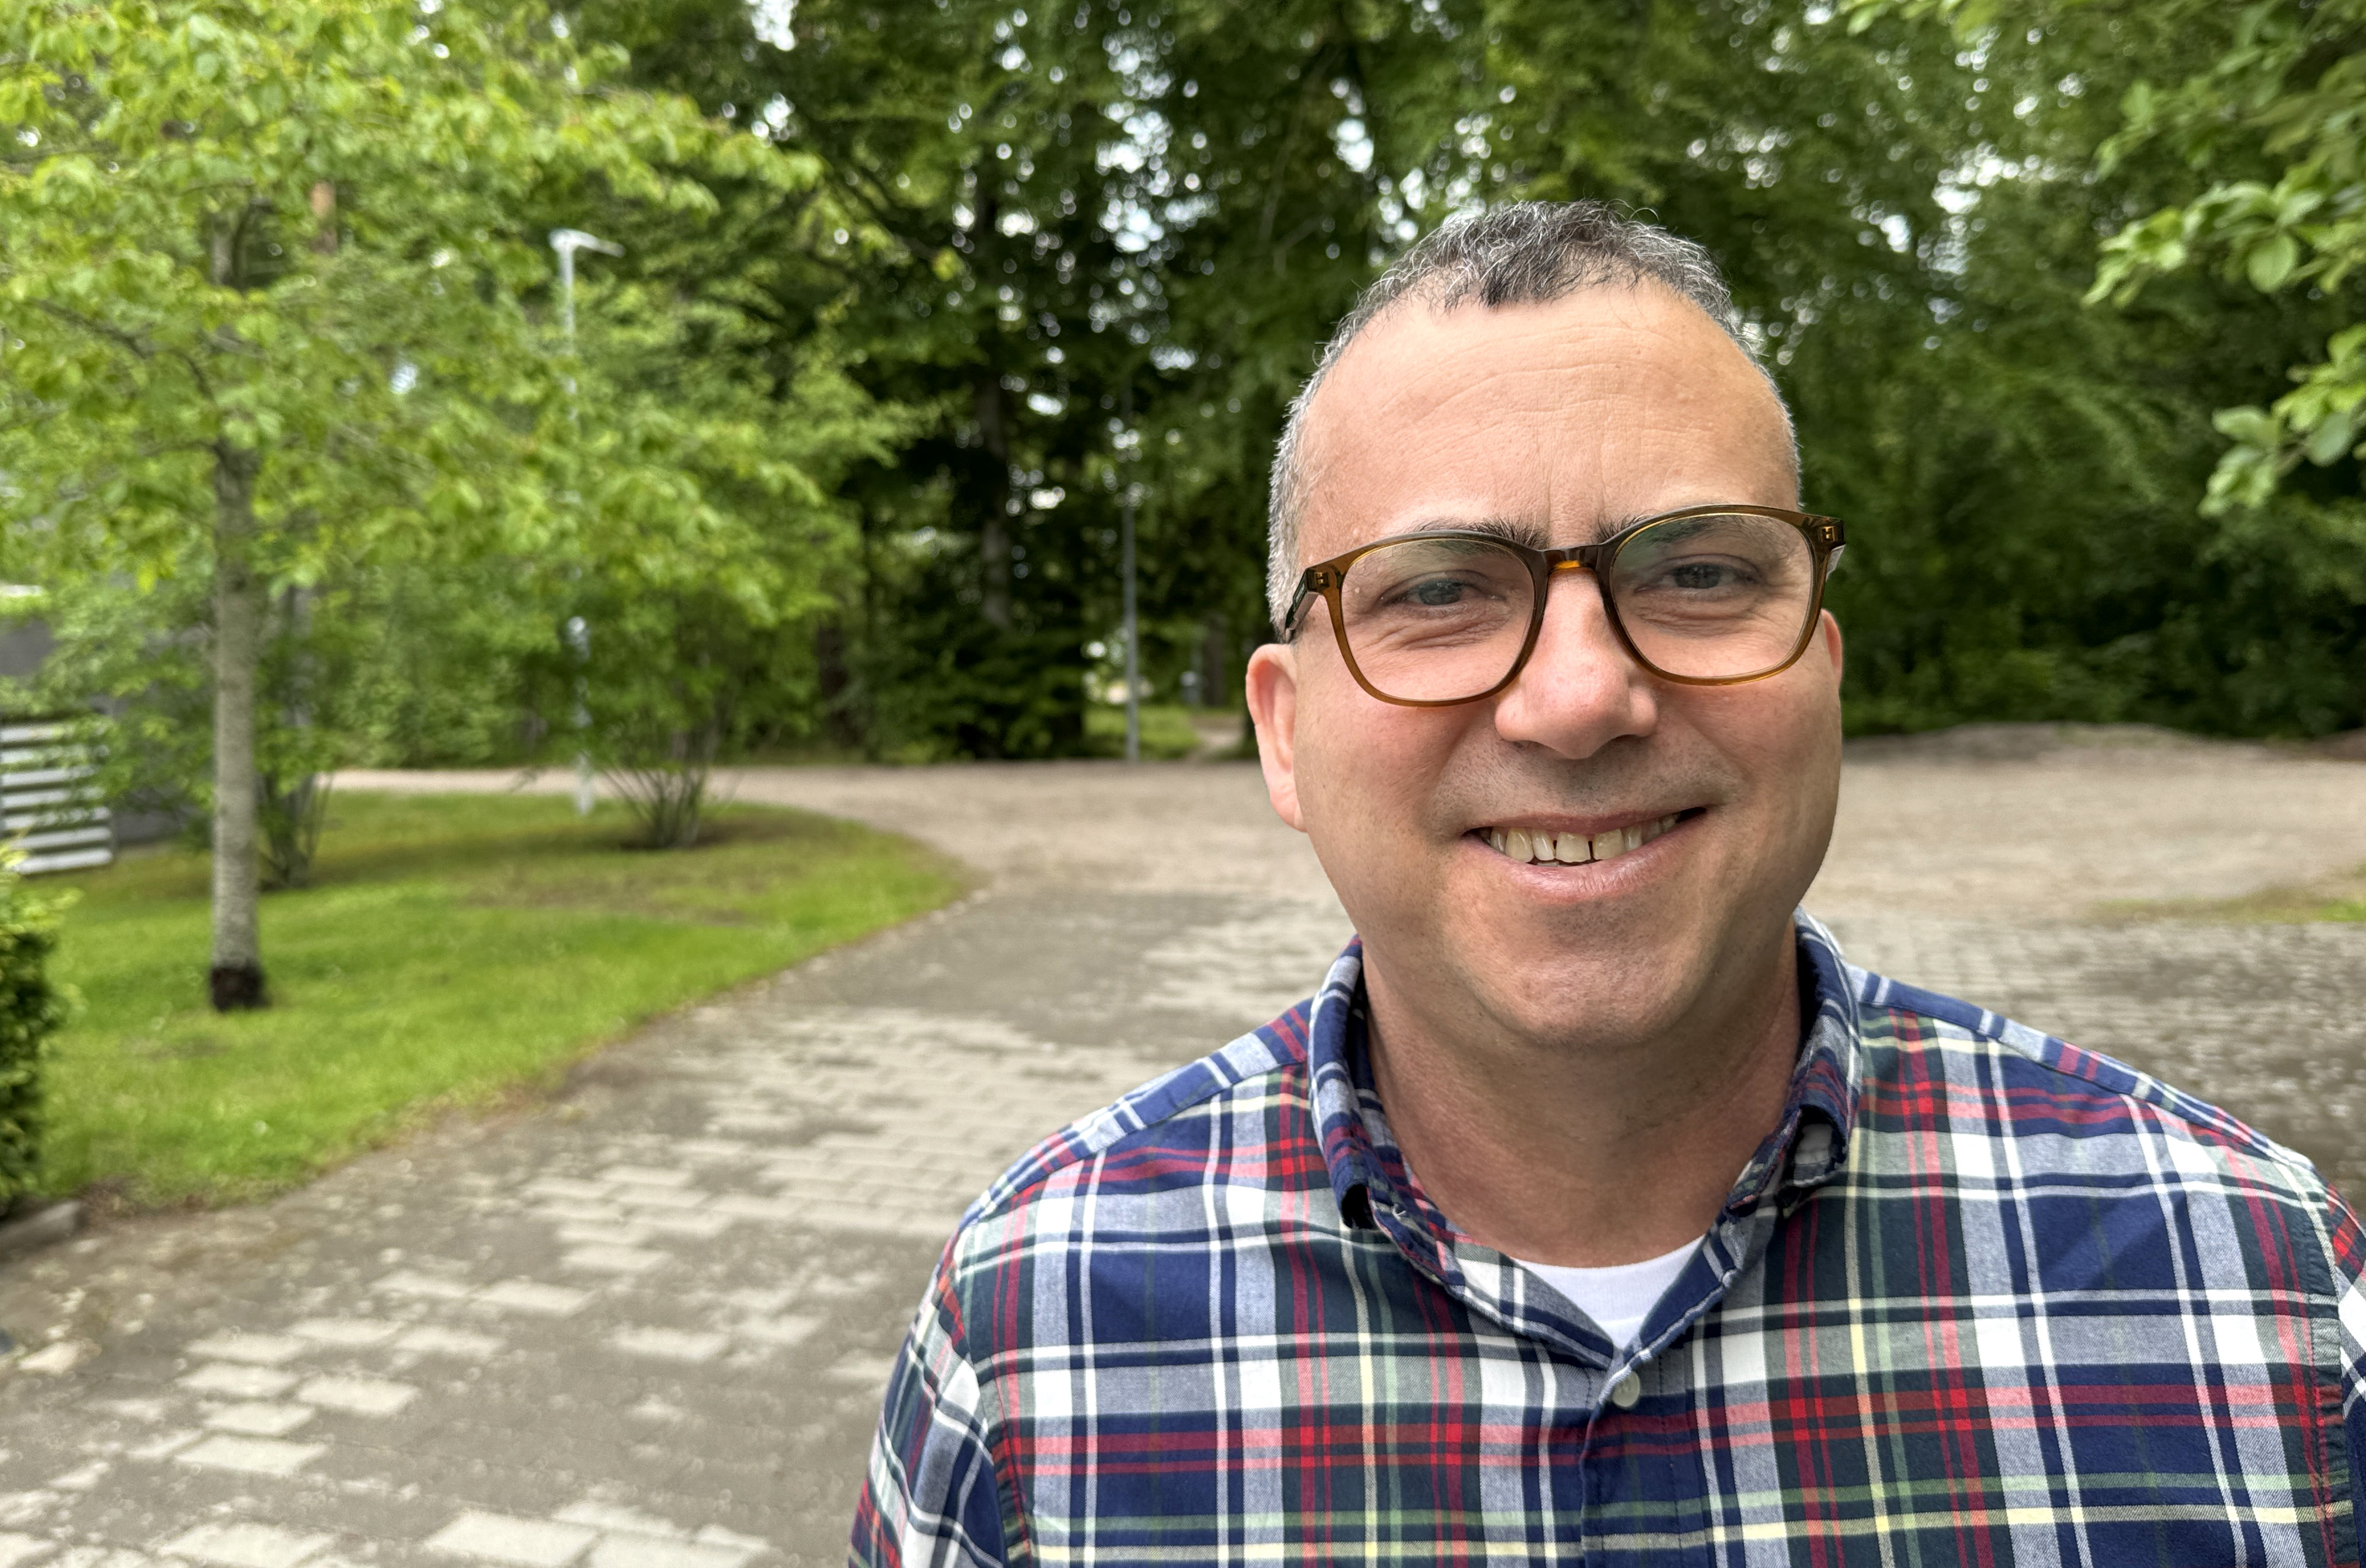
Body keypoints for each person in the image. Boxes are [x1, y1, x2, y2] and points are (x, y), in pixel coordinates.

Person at [851, 201, 2366, 1565]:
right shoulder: (1037, 1330)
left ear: (1823, 674)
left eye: (1700, 574)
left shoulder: (2259, 1297)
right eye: (1439, 590)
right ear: (1287, 733)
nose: (1579, 699)